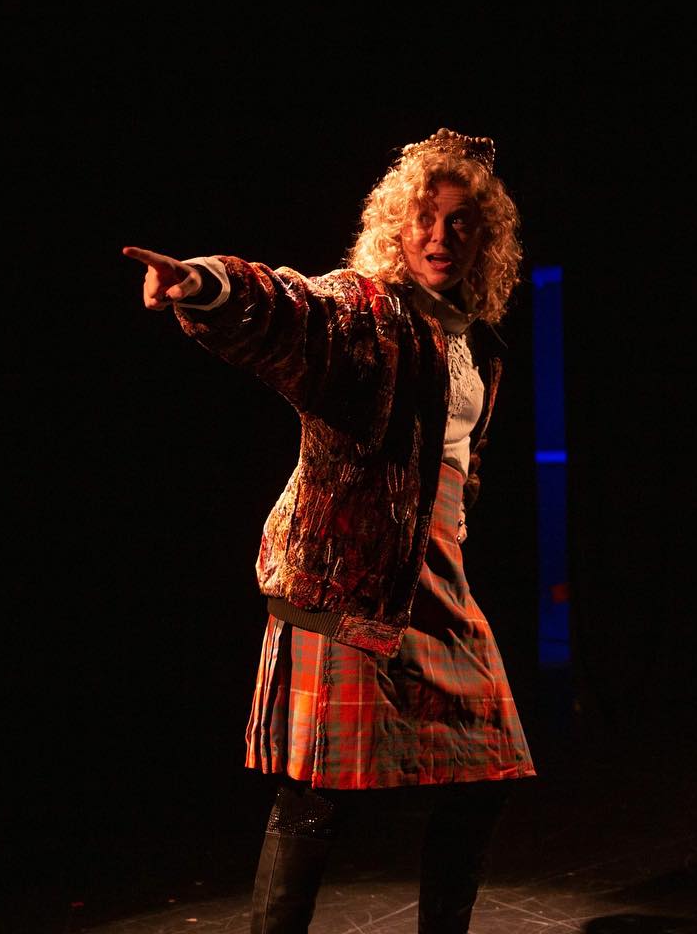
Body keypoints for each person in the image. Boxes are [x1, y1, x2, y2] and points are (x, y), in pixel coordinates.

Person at [123, 128, 535, 934]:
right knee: (318, 791)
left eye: (459, 222)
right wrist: (205, 285)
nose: (440, 236)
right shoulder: (367, 313)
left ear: (483, 239)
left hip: (440, 580)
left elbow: (458, 465)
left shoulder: (478, 346)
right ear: (396, 227)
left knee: (488, 772)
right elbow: (287, 310)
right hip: (351, 575)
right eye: (424, 218)